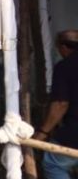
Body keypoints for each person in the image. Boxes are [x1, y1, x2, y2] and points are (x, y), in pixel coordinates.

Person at [35, 30, 78, 178]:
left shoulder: (65, 66)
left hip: (74, 135)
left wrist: (43, 132)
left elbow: (61, 104)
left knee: (53, 164)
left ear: (64, 47)